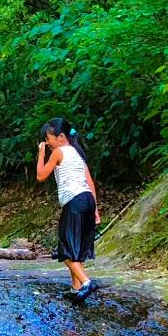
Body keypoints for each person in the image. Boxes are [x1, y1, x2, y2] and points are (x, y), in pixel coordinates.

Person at [34, 118, 101, 301]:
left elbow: (40, 176)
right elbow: (90, 182)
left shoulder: (58, 152)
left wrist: (41, 153)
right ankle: (75, 288)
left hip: (74, 201)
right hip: (87, 199)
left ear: (61, 137)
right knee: (76, 247)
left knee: (65, 247)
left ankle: (87, 282)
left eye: (48, 138)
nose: (47, 142)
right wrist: (95, 210)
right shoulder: (78, 154)